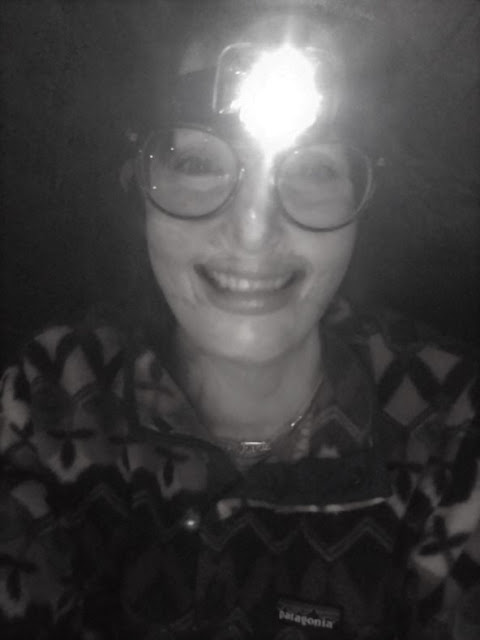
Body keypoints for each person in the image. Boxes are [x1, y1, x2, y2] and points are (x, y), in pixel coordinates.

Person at [1, 2, 479, 639]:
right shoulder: (54, 395)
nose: (254, 230)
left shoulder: (449, 423)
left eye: (312, 168)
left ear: (363, 201)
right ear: (137, 183)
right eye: (198, 164)